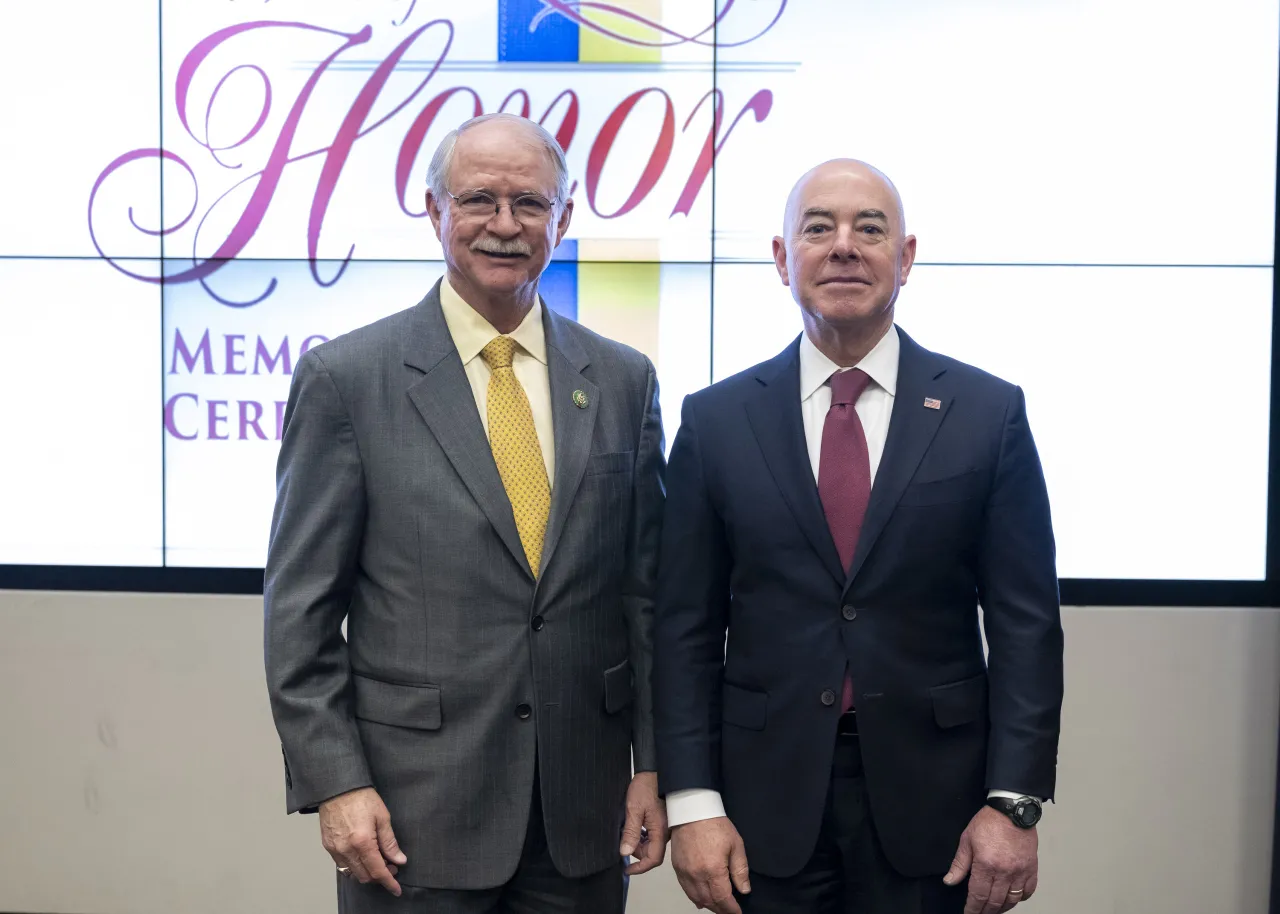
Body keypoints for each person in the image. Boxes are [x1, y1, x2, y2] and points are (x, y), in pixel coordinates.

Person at [264, 113, 667, 914]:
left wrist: (655, 763)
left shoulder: (624, 379)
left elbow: (646, 597)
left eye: (531, 204)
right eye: (479, 200)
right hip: (413, 820)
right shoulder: (347, 379)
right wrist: (336, 782)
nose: (506, 225)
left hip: (581, 822)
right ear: (434, 211)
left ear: (566, 218)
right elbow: (300, 614)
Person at [653, 159, 1063, 914]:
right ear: (783, 260)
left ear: (905, 258)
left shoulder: (986, 413)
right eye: (818, 228)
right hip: (761, 808)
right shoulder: (714, 422)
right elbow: (682, 628)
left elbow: (1026, 626)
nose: (844, 247)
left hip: (938, 807)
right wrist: (692, 801)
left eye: (870, 229)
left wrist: (1015, 803)